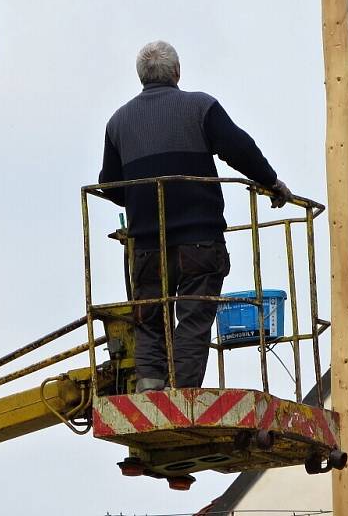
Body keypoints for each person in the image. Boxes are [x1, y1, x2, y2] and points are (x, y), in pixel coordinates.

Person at [99, 40, 291, 392]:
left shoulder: (118, 122)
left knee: (150, 320)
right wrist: (271, 182)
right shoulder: (200, 107)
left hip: (146, 248)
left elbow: (109, 186)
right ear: (177, 72)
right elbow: (240, 150)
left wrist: (142, 200)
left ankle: (151, 389)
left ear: (141, 77)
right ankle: (181, 396)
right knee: (193, 319)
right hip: (200, 244)